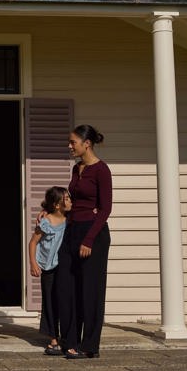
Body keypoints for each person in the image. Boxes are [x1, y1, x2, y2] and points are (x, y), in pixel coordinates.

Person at [56, 124, 113, 359]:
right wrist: (52, 212)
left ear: (86, 143)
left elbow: (105, 208)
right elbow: (73, 205)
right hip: (72, 231)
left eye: (73, 142)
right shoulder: (76, 168)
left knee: (90, 291)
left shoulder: (101, 170)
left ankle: (89, 346)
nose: (70, 146)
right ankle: (69, 341)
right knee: (68, 288)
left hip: (94, 234)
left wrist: (89, 240)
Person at [29, 186, 70, 356]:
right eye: (67, 199)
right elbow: (33, 242)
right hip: (48, 267)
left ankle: (67, 336)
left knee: (64, 300)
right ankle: (53, 337)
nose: (70, 201)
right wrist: (33, 263)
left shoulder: (70, 219)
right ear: (57, 204)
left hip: (65, 267)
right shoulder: (46, 222)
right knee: (50, 302)